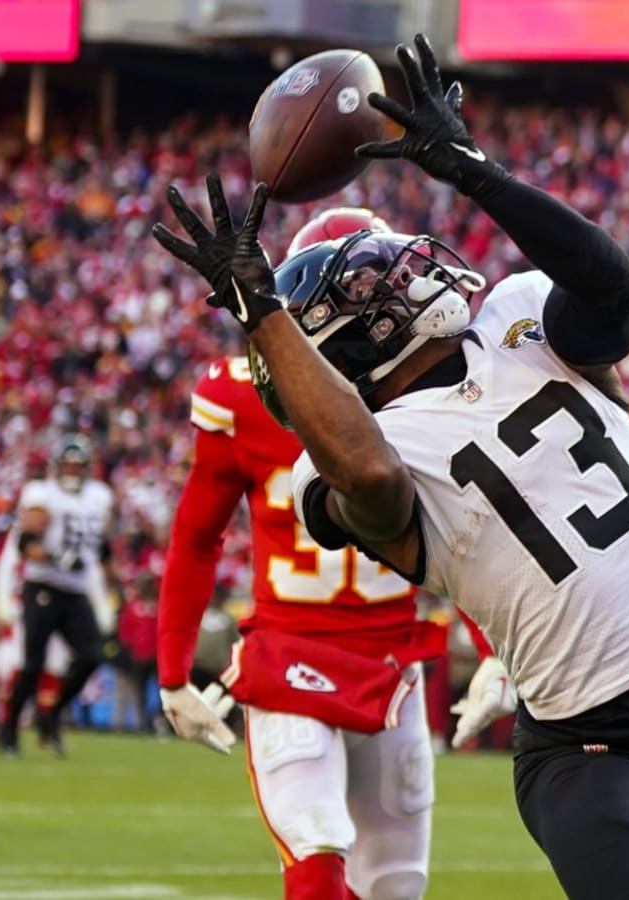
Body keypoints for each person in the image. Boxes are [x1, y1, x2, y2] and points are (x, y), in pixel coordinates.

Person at [153, 34, 629, 900]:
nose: (401, 268)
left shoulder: (516, 319)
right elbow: (372, 481)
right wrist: (262, 312)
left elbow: (610, 289)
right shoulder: (352, 468)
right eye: (365, 287)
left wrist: (473, 170)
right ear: (352, 349)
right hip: (593, 749)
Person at [154, 207, 512, 900]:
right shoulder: (239, 396)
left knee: (397, 886)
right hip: (291, 654)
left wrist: (495, 650)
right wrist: (172, 672)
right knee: (317, 854)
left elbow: (464, 529)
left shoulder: (420, 385)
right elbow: (198, 535)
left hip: (393, 663)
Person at [0, 434, 115, 756]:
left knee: (91, 656)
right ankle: (7, 731)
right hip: (43, 587)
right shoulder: (42, 493)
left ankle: (50, 715)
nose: (73, 472)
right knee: (32, 663)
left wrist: (107, 581)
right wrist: (55, 558)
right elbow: (26, 543)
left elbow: (100, 546)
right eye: (68, 465)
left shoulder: (99, 497)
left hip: (75, 591)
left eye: (78, 466)